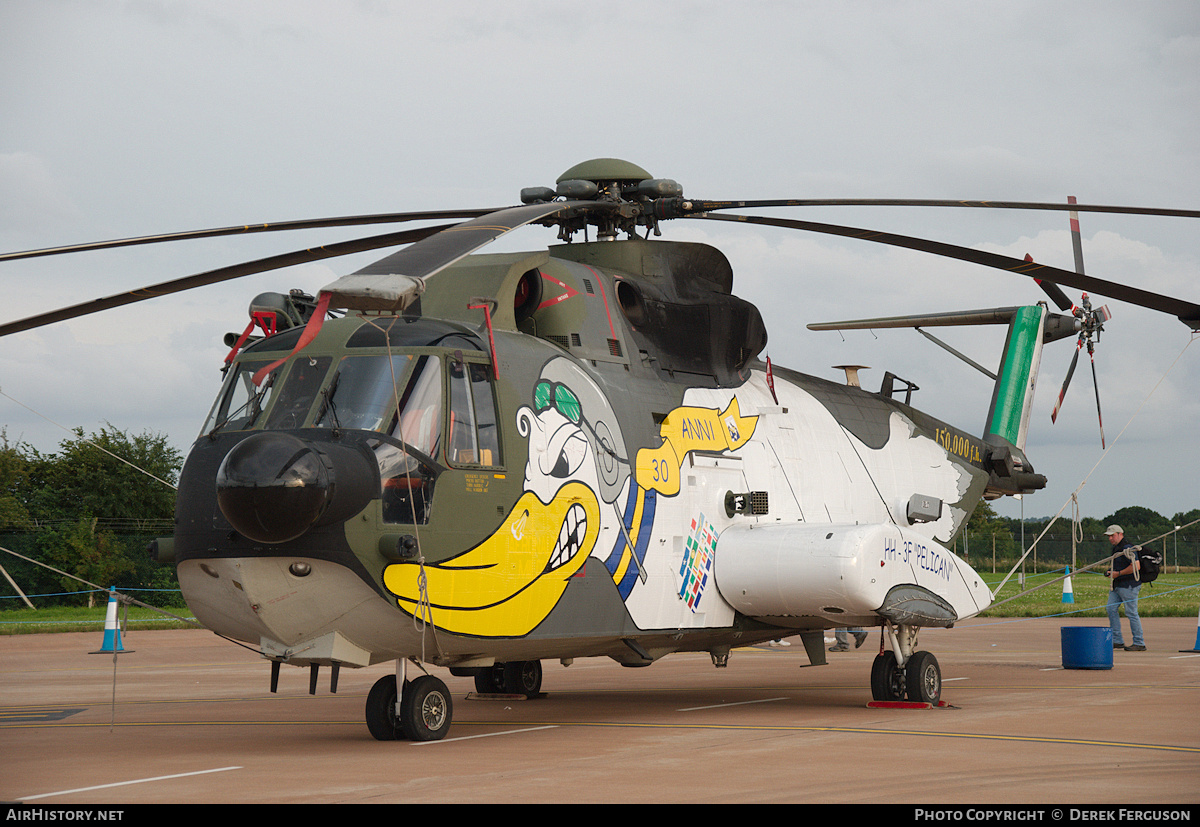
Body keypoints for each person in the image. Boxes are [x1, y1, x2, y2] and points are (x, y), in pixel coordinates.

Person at [1104, 525, 1146, 651]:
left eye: (1113, 535)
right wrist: (1111, 572)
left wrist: (1119, 573)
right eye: (1109, 536)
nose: (1110, 538)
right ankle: (1117, 640)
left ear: (1120, 534)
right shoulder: (1116, 548)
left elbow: (1136, 566)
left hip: (1129, 585)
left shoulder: (1127, 548)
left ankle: (1139, 642)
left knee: (1131, 612)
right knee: (1110, 609)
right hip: (1117, 585)